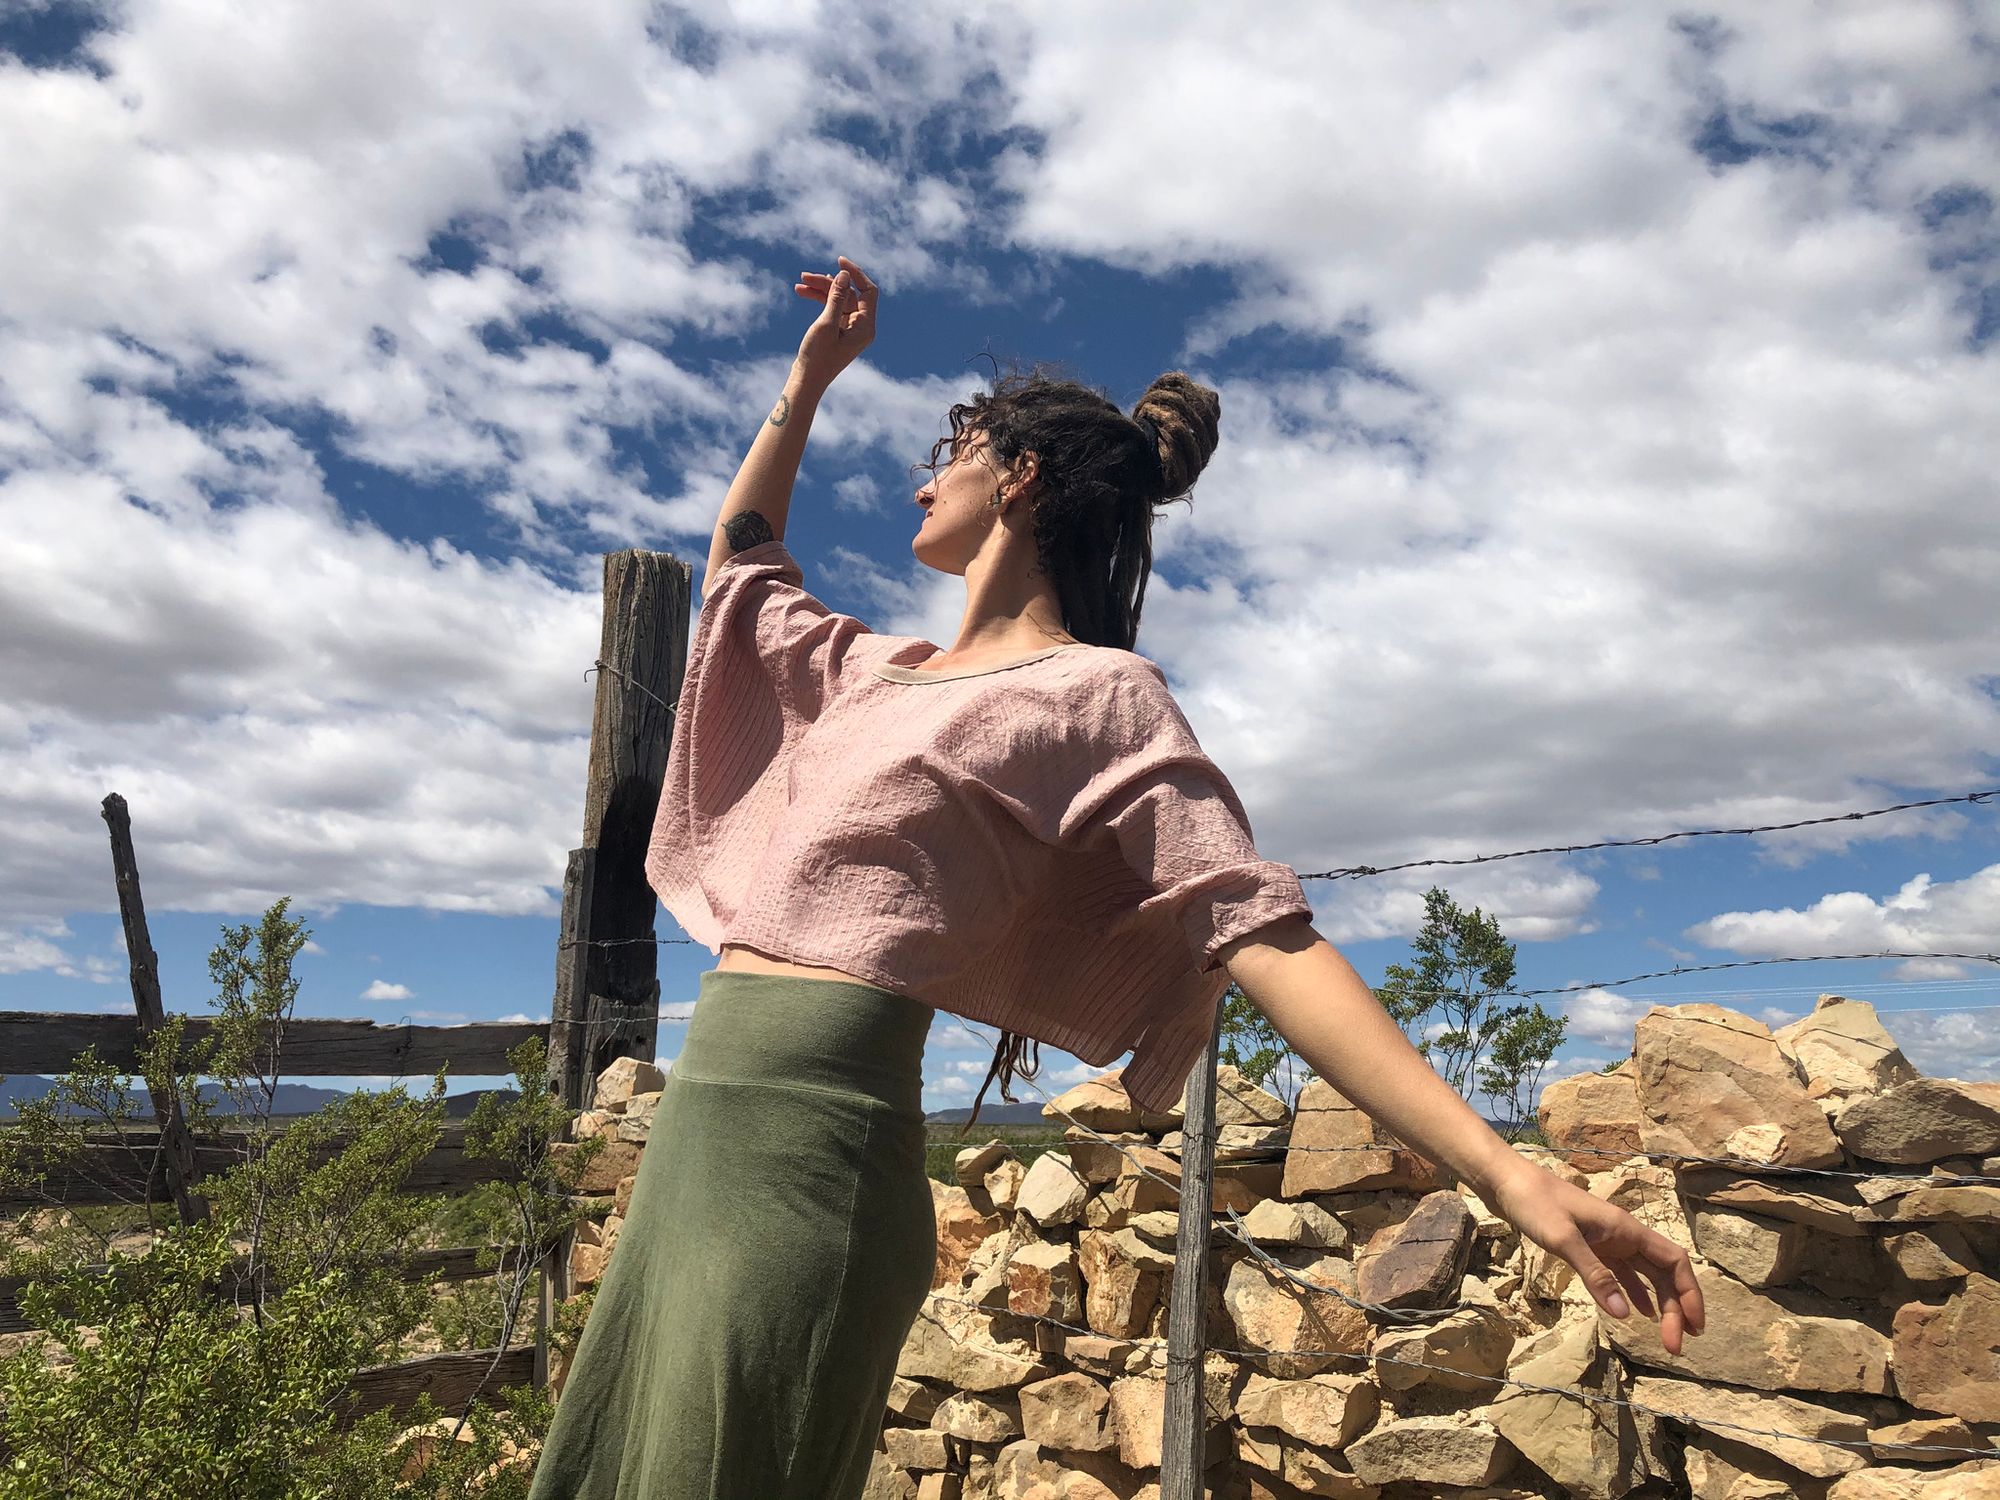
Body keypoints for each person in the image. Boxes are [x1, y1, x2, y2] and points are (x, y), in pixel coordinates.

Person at [525, 255, 1705, 1500]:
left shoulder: (1096, 696)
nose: (924, 477)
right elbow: (743, 566)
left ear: (1018, 477)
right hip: (700, 1143)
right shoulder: (868, 674)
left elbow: (1259, 932)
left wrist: (1507, 1171)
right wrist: (808, 378)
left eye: (953, 450)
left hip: (812, 1164)